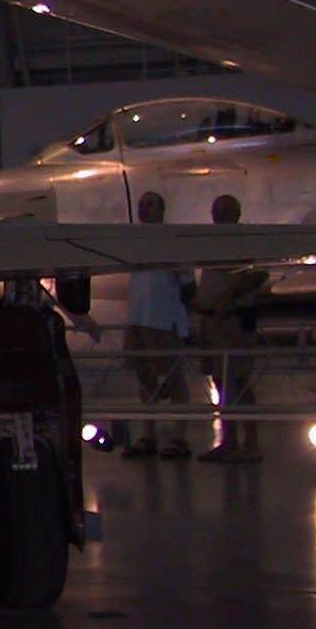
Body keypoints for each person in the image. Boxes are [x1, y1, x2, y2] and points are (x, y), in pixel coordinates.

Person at [195, 193, 266, 464]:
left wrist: (230, 296)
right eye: (217, 211)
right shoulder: (213, 243)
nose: (221, 215)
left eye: (226, 210)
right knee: (221, 381)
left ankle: (251, 444)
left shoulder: (244, 240)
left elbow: (259, 273)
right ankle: (230, 441)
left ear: (237, 214)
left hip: (233, 323)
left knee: (238, 380)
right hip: (212, 322)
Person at [121, 191, 192, 459]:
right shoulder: (134, 241)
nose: (145, 209)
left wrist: (180, 315)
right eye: (142, 205)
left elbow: (188, 284)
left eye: (150, 205)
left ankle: (180, 436)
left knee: (173, 378)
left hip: (162, 320)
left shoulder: (172, 240)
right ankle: (148, 433)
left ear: (162, 210)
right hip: (138, 319)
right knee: (144, 377)